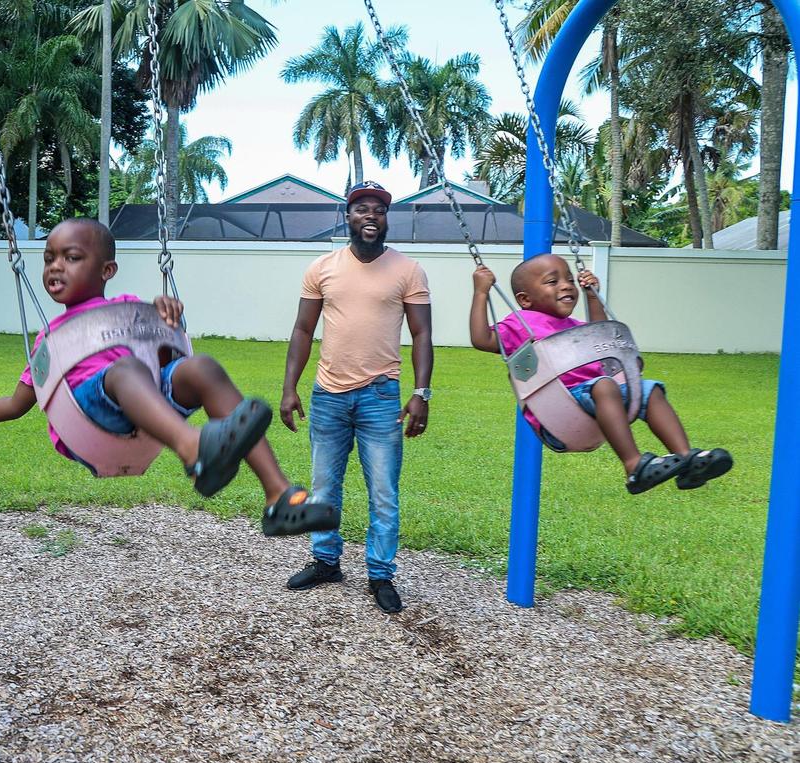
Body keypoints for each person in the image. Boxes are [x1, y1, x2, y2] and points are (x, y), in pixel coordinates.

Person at [0, 217, 339, 538]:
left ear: (107, 270)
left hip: (144, 399)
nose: (55, 267)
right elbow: (18, 403)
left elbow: (162, 350)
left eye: (71, 257)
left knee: (202, 367)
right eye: (49, 257)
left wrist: (164, 307)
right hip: (89, 416)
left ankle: (278, 496)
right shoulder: (50, 339)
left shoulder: (127, 308)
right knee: (126, 369)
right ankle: (195, 449)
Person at [279, 181, 433, 615]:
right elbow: (302, 330)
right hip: (328, 395)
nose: (371, 215)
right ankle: (326, 562)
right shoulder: (322, 268)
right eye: (362, 209)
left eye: (379, 211)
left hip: (381, 397)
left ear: (386, 220)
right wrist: (290, 388)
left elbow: (422, 334)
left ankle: (380, 574)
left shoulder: (408, 270)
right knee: (325, 487)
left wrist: (421, 392)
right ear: (347, 217)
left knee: (383, 491)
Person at [469, 253, 733, 494]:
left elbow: (600, 337)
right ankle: (633, 467)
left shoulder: (574, 325)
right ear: (525, 299)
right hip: (557, 411)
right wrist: (481, 292)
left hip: (596, 397)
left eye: (570, 279)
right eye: (553, 281)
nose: (566, 285)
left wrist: (592, 296)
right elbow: (482, 339)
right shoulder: (519, 323)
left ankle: (687, 460)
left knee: (649, 389)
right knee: (604, 385)